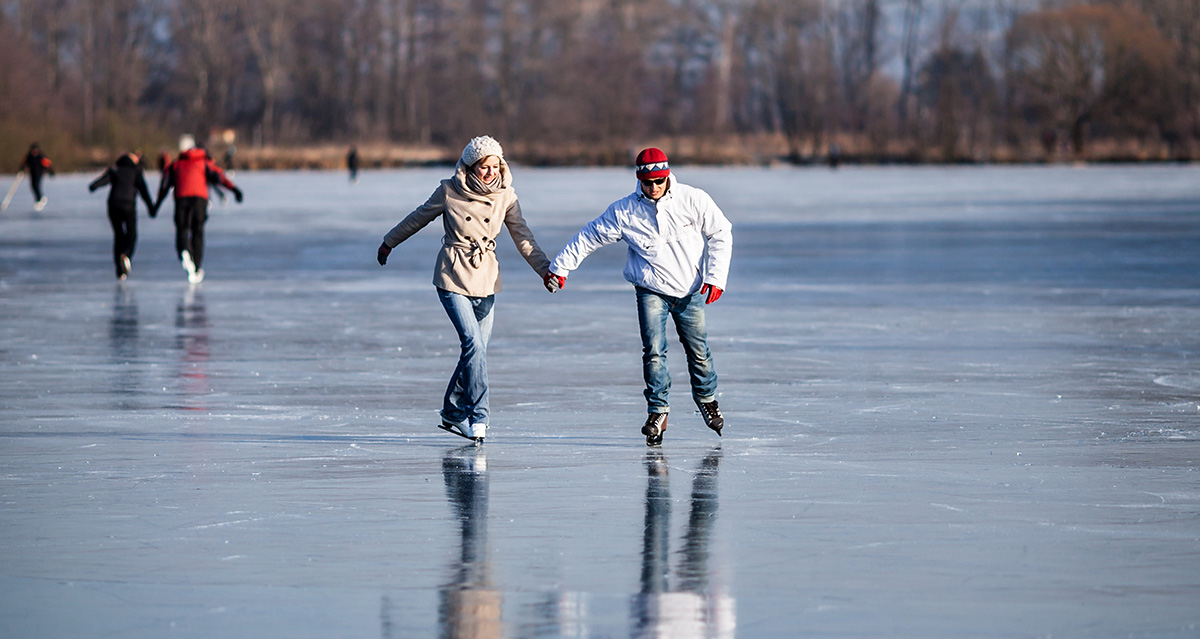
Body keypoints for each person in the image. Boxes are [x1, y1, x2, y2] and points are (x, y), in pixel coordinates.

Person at [544, 148, 732, 446]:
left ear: (668, 176)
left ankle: (707, 399)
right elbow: (589, 236)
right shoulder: (625, 211)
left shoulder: (693, 199)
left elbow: (721, 232)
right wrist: (561, 268)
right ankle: (658, 410)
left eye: (659, 181)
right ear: (639, 180)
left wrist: (715, 278)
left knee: (698, 350)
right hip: (650, 289)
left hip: (689, 290)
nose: (654, 188)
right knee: (654, 351)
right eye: (648, 182)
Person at [376, 135, 551, 443]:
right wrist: (389, 242)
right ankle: (479, 415)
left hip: (486, 278)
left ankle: (452, 413)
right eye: (484, 167)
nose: (490, 173)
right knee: (473, 344)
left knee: (476, 352)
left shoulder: (506, 197)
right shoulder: (449, 191)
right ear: (471, 166)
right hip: (452, 274)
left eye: (495, 166)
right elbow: (418, 217)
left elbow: (523, 238)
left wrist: (545, 270)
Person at [155, 143, 243, 284]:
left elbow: (165, 185)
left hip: (181, 198)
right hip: (199, 199)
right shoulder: (204, 163)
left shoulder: (177, 164)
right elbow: (219, 177)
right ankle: (196, 266)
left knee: (182, 228)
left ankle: (184, 251)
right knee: (198, 231)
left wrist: (156, 205)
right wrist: (235, 190)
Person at [89, 152, 156, 280]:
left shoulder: (116, 169)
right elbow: (143, 190)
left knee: (118, 235)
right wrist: (151, 207)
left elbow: (103, 180)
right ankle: (126, 255)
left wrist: (94, 186)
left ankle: (119, 271)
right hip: (128, 205)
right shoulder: (135, 171)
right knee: (131, 234)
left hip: (113, 205)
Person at [21, 143, 55, 211]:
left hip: (39, 173)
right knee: (33, 186)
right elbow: (24, 164)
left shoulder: (41, 156)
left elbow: (47, 164)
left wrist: (51, 172)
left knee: (36, 185)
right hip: (32, 173)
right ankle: (38, 199)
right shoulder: (29, 157)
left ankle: (40, 198)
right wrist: (21, 170)